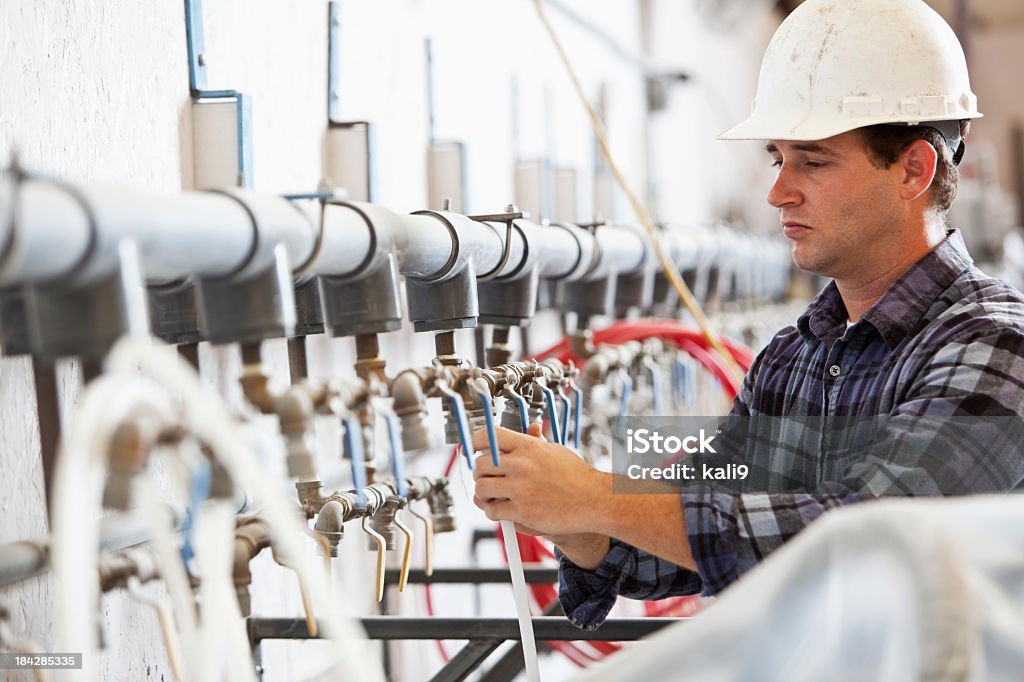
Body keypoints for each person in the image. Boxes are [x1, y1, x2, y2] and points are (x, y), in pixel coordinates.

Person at [472, 0, 1024, 630]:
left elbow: (871, 545)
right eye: (776, 157)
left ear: (914, 169)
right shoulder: (794, 357)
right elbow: (696, 523)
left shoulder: (995, 344)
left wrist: (596, 498)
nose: (778, 190)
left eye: (813, 160)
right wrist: (574, 519)